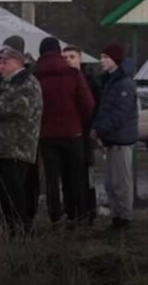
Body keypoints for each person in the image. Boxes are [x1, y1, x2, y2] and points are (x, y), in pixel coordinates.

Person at [0, 46, 43, 234]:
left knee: (14, 193)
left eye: (4, 62)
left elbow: (18, 108)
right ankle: (6, 227)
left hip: (16, 147)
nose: (0, 66)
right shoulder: (2, 82)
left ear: (18, 62)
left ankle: (20, 230)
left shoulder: (28, 83)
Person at [34, 38, 95, 227]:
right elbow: (88, 103)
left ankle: (54, 215)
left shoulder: (36, 75)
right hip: (72, 132)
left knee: (52, 178)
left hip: (46, 134)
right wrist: (81, 122)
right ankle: (76, 214)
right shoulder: (72, 74)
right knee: (75, 175)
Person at [92, 42, 138, 231]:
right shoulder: (111, 82)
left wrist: (99, 129)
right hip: (113, 139)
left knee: (121, 182)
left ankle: (124, 218)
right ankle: (118, 216)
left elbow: (118, 114)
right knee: (112, 182)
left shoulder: (123, 84)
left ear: (115, 60)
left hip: (121, 140)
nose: (102, 61)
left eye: (105, 57)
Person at [62, 45, 100, 225]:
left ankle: (88, 211)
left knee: (86, 174)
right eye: (65, 57)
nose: (68, 60)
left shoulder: (91, 81)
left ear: (80, 59)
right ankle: (72, 212)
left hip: (85, 133)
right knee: (68, 174)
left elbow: (95, 107)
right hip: (69, 134)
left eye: (72, 56)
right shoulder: (62, 81)